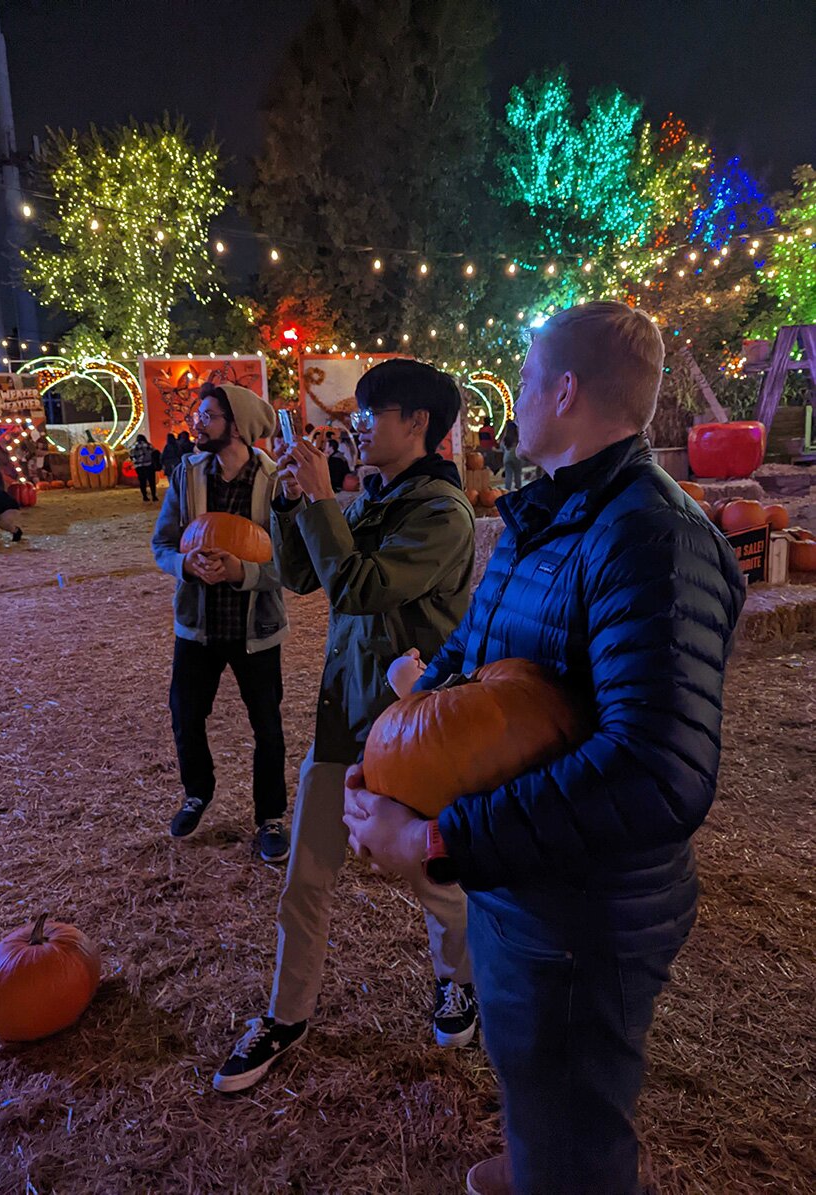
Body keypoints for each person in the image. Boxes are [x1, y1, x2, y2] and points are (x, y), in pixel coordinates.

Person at [343, 303, 746, 1195]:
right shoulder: (552, 517)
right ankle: (546, 1156)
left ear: (565, 390)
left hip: (587, 908)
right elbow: (474, 655)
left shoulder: (649, 537)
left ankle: (570, 1169)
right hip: (529, 878)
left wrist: (441, 839)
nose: (513, 397)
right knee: (542, 1077)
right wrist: (392, 752)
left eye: (524, 377)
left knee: (574, 1099)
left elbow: (655, 772)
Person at [213, 358, 477, 1094]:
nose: (359, 428)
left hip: (412, 727)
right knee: (306, 876)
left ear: (416, 422)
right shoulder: (377, 497)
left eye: (370, 415)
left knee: (428, 872)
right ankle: (285, 1015)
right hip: (344, 714)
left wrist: (329, 498)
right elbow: (304, 577)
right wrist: (296, 502)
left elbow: (359, 588)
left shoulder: (441, 514)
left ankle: (460, 981)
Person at [152, 383, 290, 862]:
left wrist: (242, 572)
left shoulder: (275, 482)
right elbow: (162, 545)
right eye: (199, 414)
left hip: (256, 629)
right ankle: (197, 791)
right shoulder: (186, 477)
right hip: (198, 627)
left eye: (208, 415)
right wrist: (184, 566)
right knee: (186, 715)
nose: (197, 422)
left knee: (267, 727)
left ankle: (270, 816)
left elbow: (290, 565)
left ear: (237, 425)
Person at [130, 434, 158, 502]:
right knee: (152, 481)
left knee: (142, 482)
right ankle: (154, 496)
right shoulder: (148, 445)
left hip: (139, 467)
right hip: (149, 465)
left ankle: (145, 496)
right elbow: (154, 453)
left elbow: (131, 456)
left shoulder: (133, 446)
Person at [500, 419, 525, 491]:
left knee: (508, 474)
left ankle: (507, 490)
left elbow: (501, 447)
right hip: (517, 456)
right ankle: (518, 488)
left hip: (507, 457)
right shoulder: (517, 438)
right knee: (517, 473)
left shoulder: (506, 438)